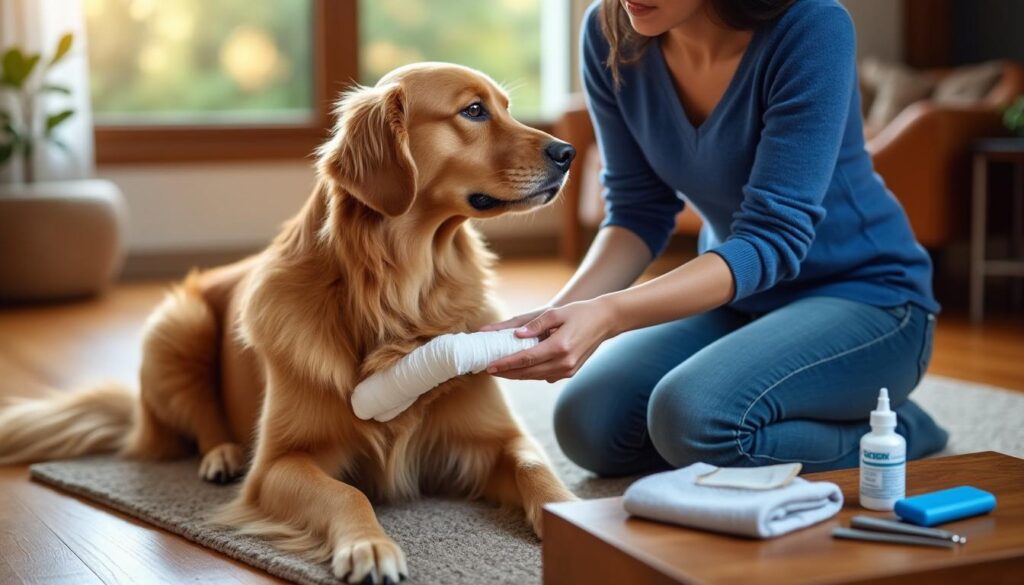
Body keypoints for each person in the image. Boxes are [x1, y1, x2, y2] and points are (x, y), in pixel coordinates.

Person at [482, 0, 949, 474]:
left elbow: (772, 239)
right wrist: (551, 318)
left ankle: (900, 432)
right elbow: (636, 213)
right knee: (590, 425)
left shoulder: (812, 26)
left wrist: (610, 315)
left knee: (693, 418)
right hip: (737, 300)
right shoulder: (610, 33)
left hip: (870, 298)